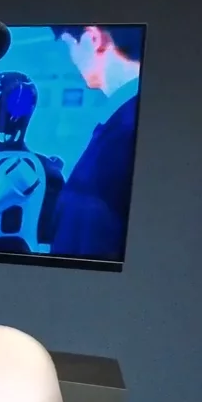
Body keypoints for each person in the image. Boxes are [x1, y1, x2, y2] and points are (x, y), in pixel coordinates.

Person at [48, 25, 142, 259]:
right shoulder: (124, 120)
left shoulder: (126, 129)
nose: (72, 58)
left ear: (93, 38)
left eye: (69, 44)